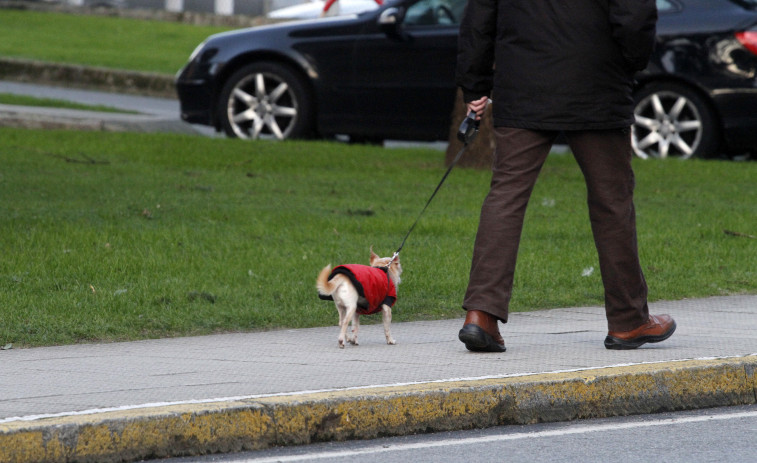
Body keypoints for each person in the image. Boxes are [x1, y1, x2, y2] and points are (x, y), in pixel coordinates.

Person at [455, 0, 676, 352]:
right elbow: (634, 15)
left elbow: (479, 18)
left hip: (523, 82)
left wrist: (475, 85)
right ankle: (628, 320)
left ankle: (481, 314)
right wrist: (630, 63)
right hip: (597, 81)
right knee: (612, 202)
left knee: (506, 196)